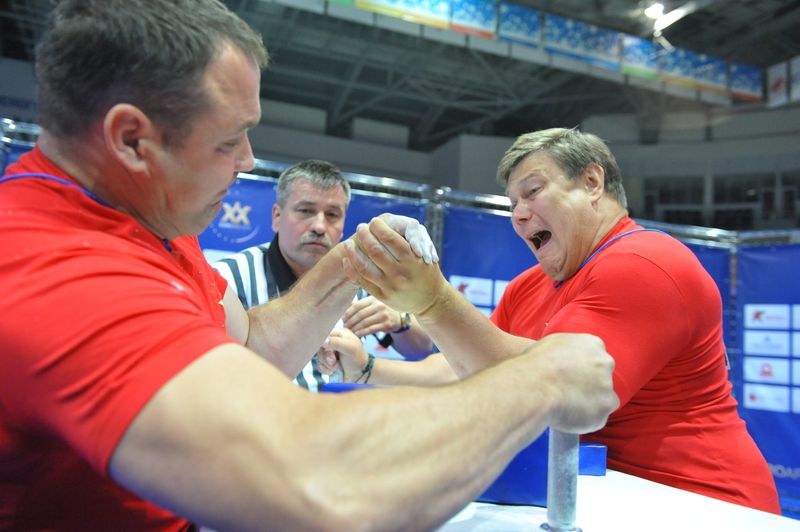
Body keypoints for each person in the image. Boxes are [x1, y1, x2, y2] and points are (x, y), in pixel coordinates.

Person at [0, 2, 618, 529]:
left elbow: (253, 344)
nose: (246, 161)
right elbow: (317, 481)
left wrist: (352, 259)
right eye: (227, 141)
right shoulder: (53, 267)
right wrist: (542, 381)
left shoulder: (141, 216)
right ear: (133, 140)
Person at [334, 127, 781, 514]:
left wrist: (433, 302)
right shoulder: (527, 286)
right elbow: (462, 367)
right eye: (512, 203)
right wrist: (368, 369)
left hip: (702, 503)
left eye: (532, 191)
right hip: (602, 496)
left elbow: (564, 392)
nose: (520, 213)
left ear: (591, 182)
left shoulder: (647, 262)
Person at [212, 159, 434, 390]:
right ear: (277, 217)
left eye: (332, 215)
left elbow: (421, 348)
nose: (319, 226)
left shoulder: (360, 276)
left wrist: (400, 322)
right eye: (306, 211)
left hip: (340, 416)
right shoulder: (228, 278)